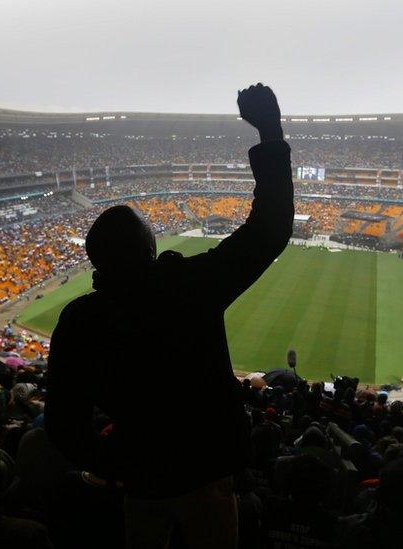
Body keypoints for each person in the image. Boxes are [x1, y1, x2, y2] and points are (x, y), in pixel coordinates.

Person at [46, 83, 292, 548]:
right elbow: (270, 229)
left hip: (141, 479)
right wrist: (269, 130)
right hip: (206, 474)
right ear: (150, 249)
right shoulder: (187, 288)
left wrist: (113, 463)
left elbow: (62, 425)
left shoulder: (79, 321)